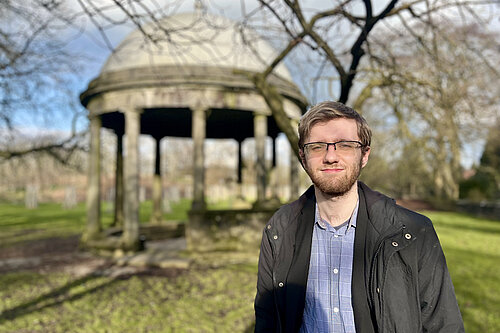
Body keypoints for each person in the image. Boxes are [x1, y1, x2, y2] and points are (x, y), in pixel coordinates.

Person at [254, 101, 464, 332]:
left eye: (345, 145)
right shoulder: (280, 230)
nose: (331, 157)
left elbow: (444, 326)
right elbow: (267, 321)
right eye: (317, 147)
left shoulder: (412, 231)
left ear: (364, 155)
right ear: (303, 157)